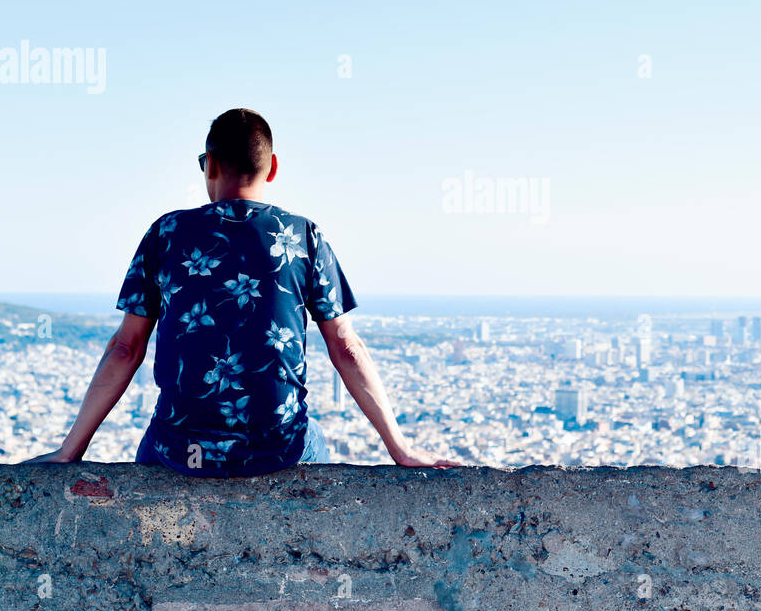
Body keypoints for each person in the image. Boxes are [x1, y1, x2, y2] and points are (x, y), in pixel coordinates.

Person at [26, 108, 461, 474]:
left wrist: (70, 451)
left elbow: (126, 348)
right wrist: (399, 449)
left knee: (157, 444)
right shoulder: (303, 237)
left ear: (210, 165)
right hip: (278, 454)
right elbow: (345, 347)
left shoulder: (168, 233)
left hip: (182, 455)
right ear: (272, 168)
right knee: (313, 440)